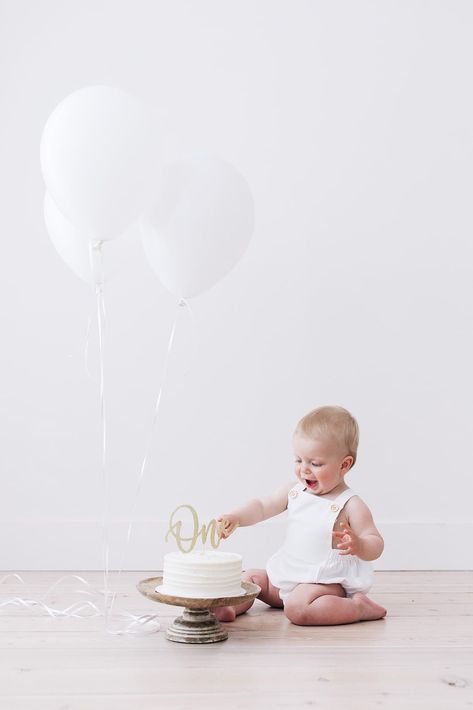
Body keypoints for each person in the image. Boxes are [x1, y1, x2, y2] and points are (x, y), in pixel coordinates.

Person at [215, 405, 387, 625]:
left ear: (344, 465)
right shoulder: (294, 491)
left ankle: (358, 608)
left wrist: (360, 545)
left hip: (322, 583)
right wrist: (236, 518)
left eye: (315, 463)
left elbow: (376, 542)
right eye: (299, 460)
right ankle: (229, 606)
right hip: (287, 573)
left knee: (298, 609)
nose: (304, 469)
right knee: (252, 578)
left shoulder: (350, 504)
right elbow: (262, 505)